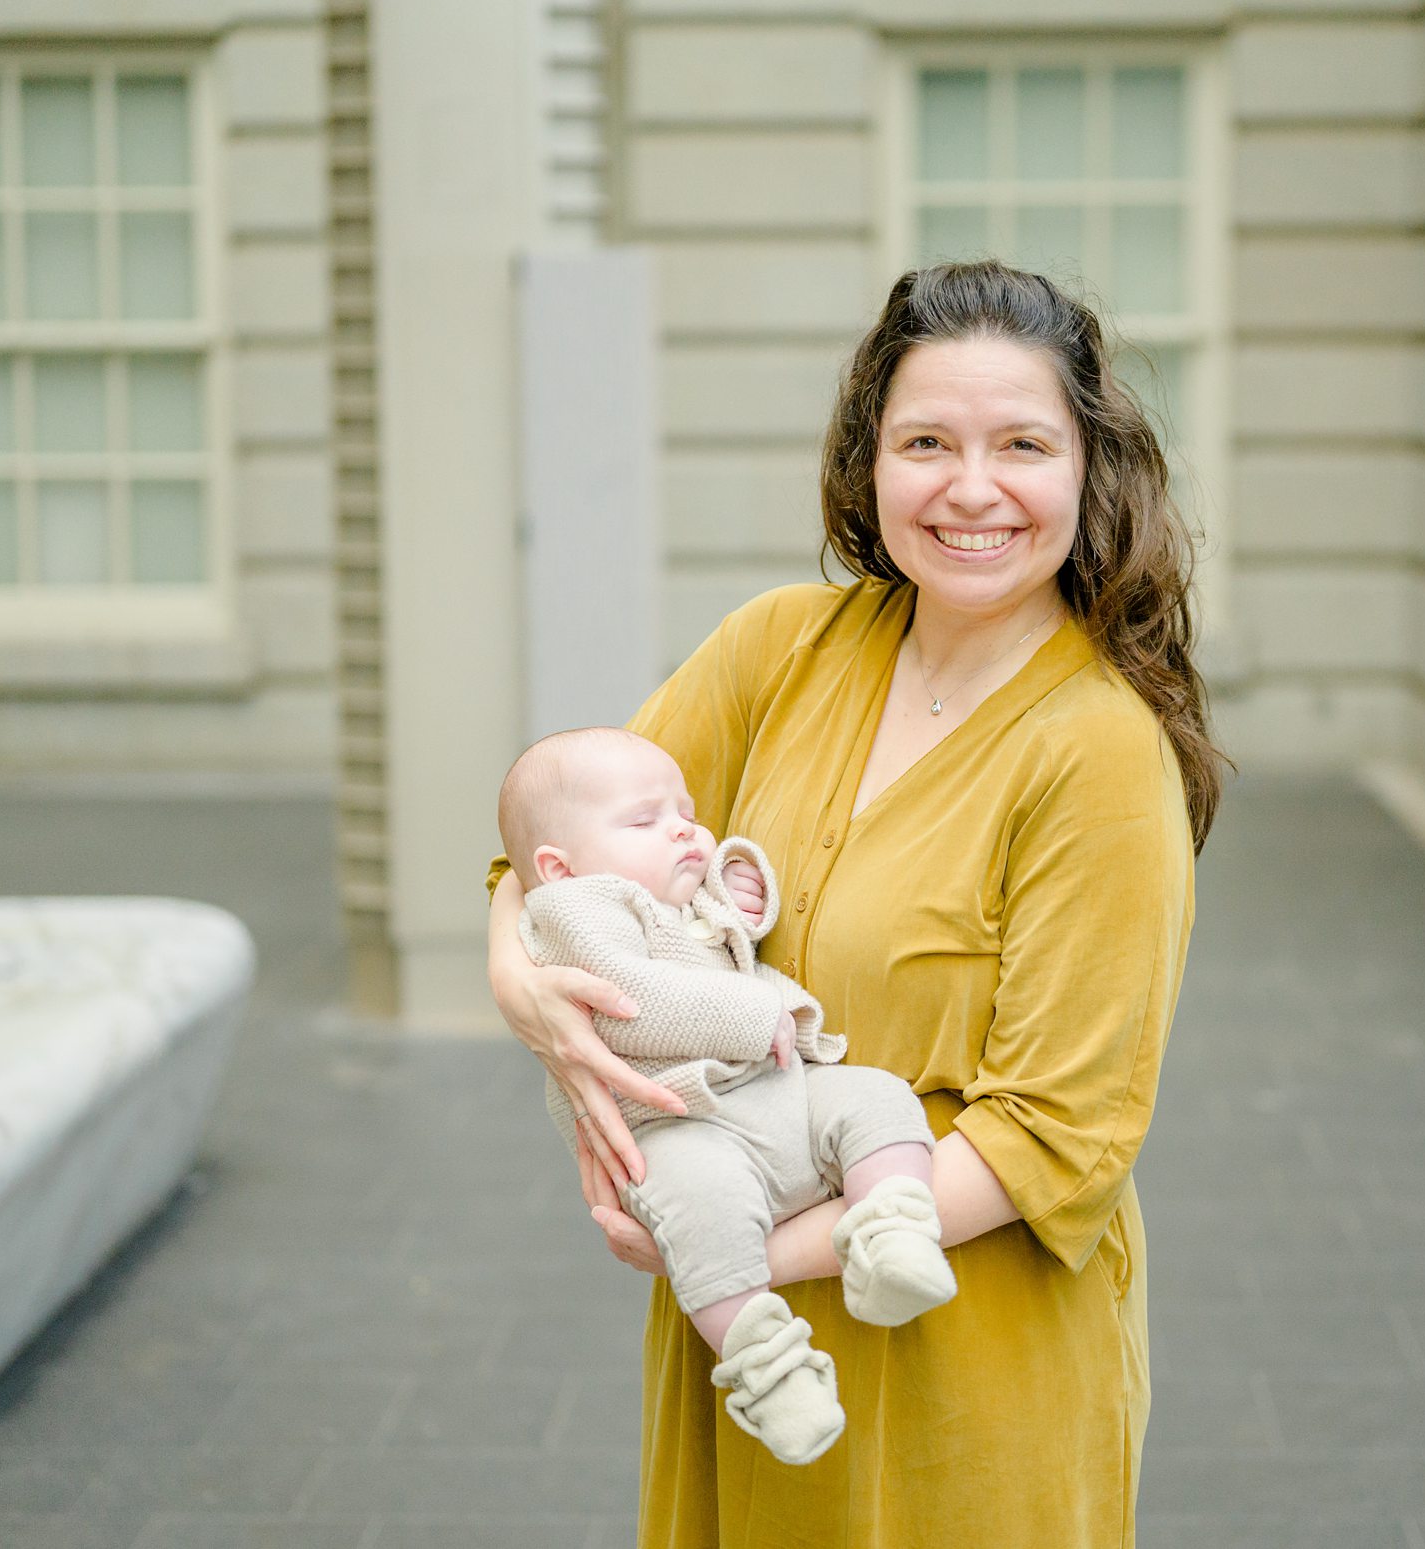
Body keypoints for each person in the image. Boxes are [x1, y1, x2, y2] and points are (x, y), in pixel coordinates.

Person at [487, 259, 1220, 1547]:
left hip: (961, 1340)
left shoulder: (1099, 750)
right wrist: (525, 990)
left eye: (1023, 444)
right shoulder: (782, 648)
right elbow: (541, 858)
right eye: (926, 440)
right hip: (750, 1351)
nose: (972, 487)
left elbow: (1061, 1132)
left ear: (1088, 472)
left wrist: (728, 1256)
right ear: (869, 460)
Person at [496, 726, 959, 1465]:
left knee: (876, 1098)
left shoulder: (655, 897)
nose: (683, 824)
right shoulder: (577, 910)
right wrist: (753, 1014)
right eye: (647, 820)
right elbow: (631, 998)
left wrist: (733, 891)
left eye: (685, 809)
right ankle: (771, 1369)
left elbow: (713, 938)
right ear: (560, 865)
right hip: (677, 1124)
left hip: (771, 1091)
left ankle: (891, 1228)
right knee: (703, 1217)